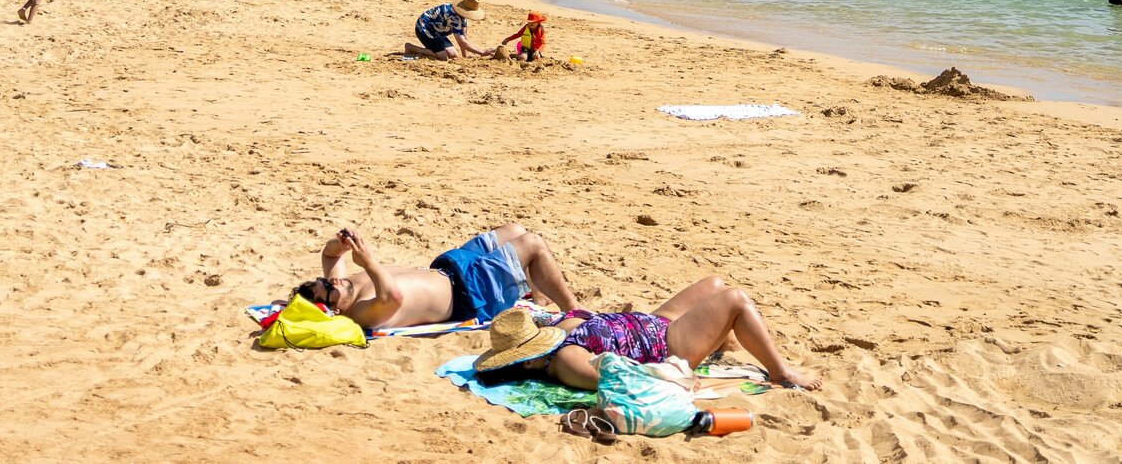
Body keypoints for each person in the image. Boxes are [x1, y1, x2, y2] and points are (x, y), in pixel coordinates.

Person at [473, 275, 819, 391]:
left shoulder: (557, 335)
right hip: (666, 346)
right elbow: (623, 378)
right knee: (735, 300)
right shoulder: (566, 361)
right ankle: (780, 371)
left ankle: (722, 338)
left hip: (652, 323)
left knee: (714, 283)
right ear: (529, 362)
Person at [294, 222, 577, 330]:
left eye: (324, 281)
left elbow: (329, 256)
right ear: (332, 310)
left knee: (514, 230)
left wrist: (340, 244)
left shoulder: (343, 289)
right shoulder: (361, 312)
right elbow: (393, 297)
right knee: (532, 243)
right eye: (328, 290)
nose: (331, 281)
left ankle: (539, 295)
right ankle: (574, 311)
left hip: (449, 267)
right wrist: (368, 263)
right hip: (470, 293)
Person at [407, 0, 490, 59]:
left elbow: (464, 36)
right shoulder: (453, 17)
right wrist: (482, 52)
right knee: (442, 57)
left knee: (454, 55)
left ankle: (435, 49)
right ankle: (411, 48)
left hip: (437, 31)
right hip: (424, 28)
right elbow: (462, 43)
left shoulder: (461, 15)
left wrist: (465, 55)